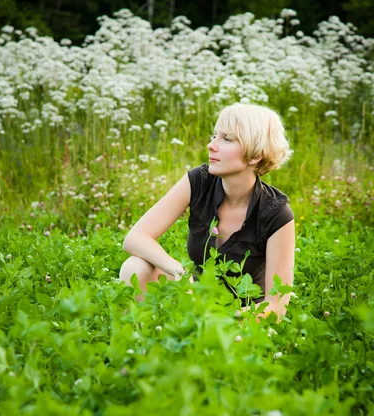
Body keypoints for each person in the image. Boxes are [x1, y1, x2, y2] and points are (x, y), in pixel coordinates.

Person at [119, 102, 295, 320]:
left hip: (245, 320)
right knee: (135, 267)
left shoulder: (277, 212)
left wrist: (226, 321)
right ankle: (138, 343)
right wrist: (178, 271)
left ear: (255, 155)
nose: (212, 145)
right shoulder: (199, 181)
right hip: (197, 303)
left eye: (227, 139)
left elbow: (277, 306)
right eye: (214, 136)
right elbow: (135, 238)